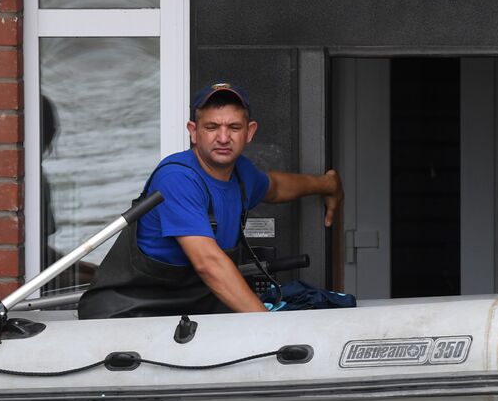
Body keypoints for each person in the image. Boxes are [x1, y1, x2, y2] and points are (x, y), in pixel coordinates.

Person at [78, 82, 343, 319]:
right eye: (212, 127)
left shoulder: (242, 175)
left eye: (234, 127)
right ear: (193, 131)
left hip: (190, 311)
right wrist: (269, 330)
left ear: (250, 132)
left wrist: (325, 184)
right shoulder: (177, 178)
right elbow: (209, 263)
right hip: (129, 314)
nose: (224, 137)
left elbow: (275, 187)